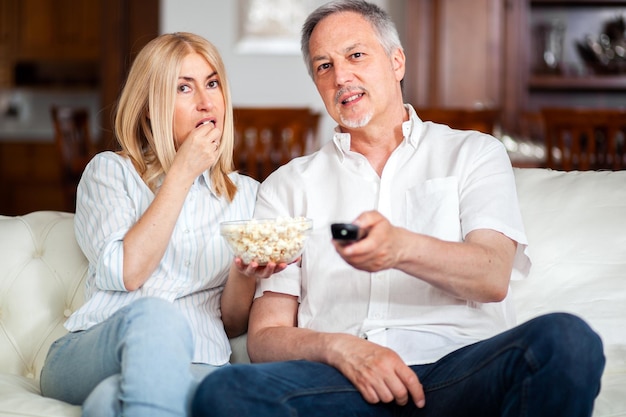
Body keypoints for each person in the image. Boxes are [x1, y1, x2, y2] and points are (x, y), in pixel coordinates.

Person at [192, 1, 606, 416]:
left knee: (567, 340)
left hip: (459, 372)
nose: (341, 77)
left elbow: (493, 275)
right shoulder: (289, 184)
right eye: (323, 66)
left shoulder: (473, 153)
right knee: (225, 391)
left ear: (396, 61)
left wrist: (401, 249)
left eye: (356, 55)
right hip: (344, 381)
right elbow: (266, 336)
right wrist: (340, 348)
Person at [39, 32, 263, 417]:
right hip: (95, 352)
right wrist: (181, 173)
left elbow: (231, 322)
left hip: (200, 360)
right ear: (149, 108)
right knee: (158, 316)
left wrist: (244, 273)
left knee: (110, 403)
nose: (206, 102)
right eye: (184, 88)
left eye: (212, 84)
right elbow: (128, 272)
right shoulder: (110, 173)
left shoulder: (247, 196)